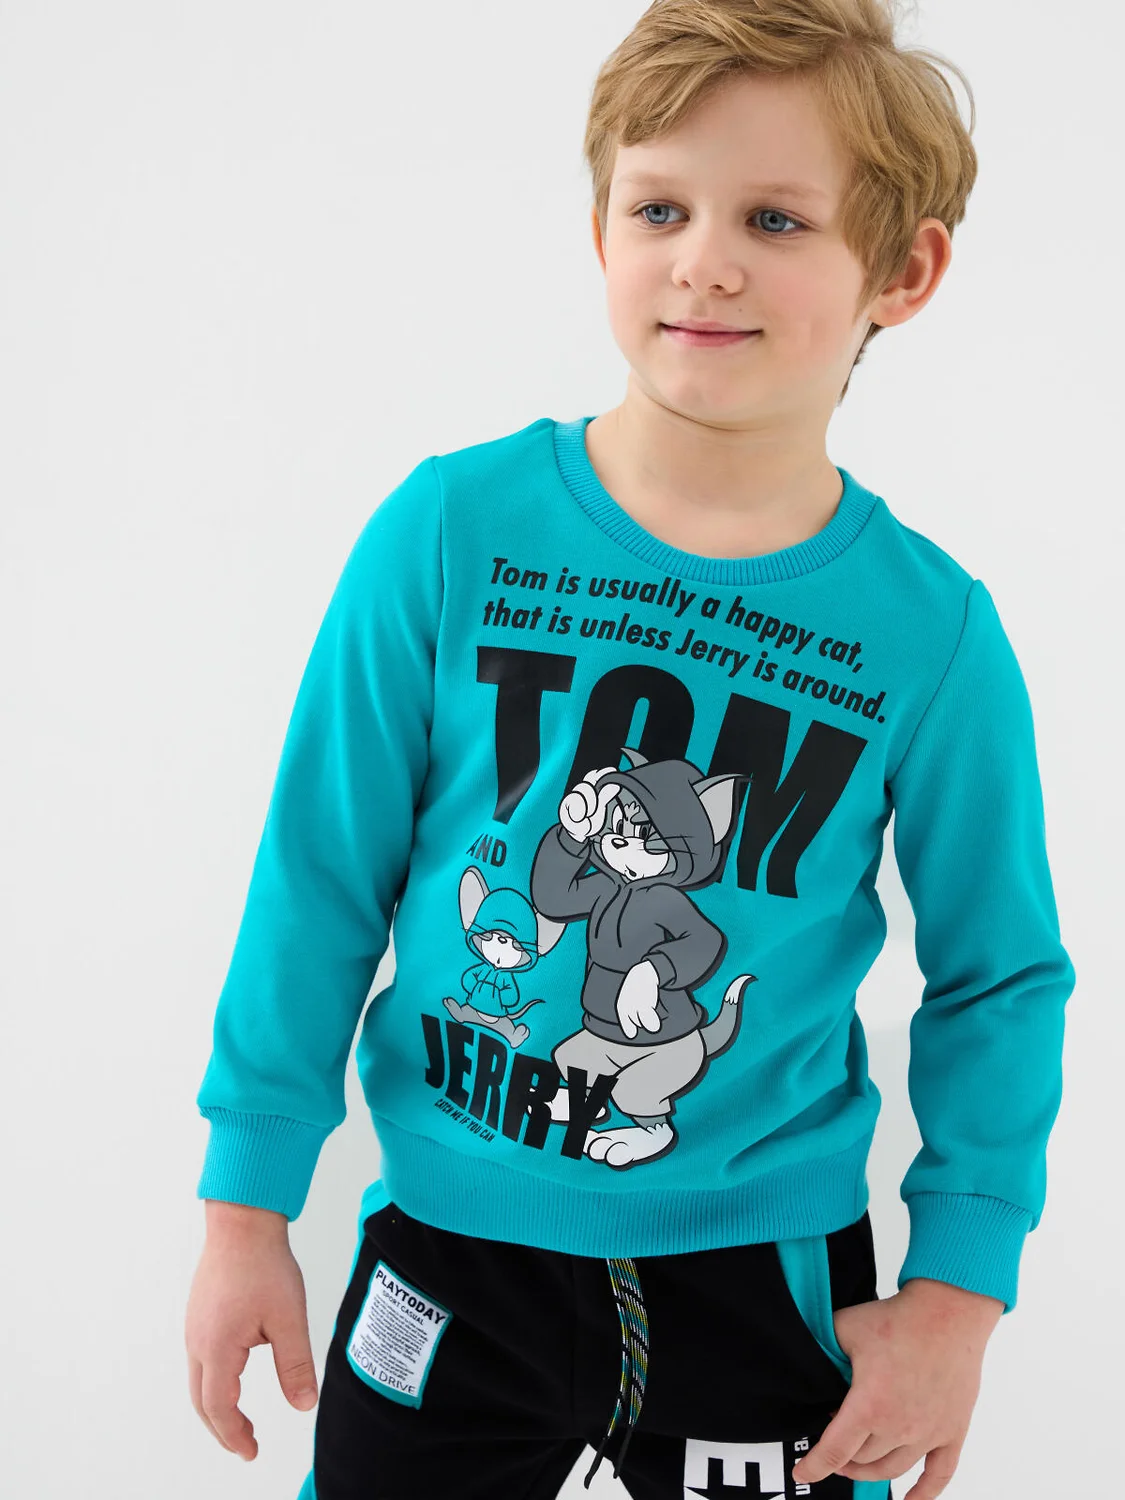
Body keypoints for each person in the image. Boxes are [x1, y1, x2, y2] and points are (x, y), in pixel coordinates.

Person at [184, 2, 1076, 1497]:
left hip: (769, 1282)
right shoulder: (451, 531)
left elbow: (1002, 975)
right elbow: (320, 873)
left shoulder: (933, 637)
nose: (704, 261)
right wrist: (243, 1205)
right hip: (449, 1259)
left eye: (775, 219)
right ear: (600, 226)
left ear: (904, 271)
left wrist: (959, 1292)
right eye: (661, 207)